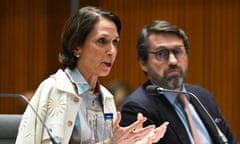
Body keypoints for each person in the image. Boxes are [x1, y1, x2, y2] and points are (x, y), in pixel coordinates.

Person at [15, 6, 169, 144]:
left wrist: (139, 141)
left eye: (115, 42)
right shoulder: (55, 89)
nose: (112, 51)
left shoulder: (106, 97)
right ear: (76, 47)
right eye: (102, 41)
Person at [120, 20, 238, 144]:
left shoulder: (203, 97)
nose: (173, 61)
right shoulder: (137, 109)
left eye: (178, 52)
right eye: (161, 54)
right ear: (143, 63)